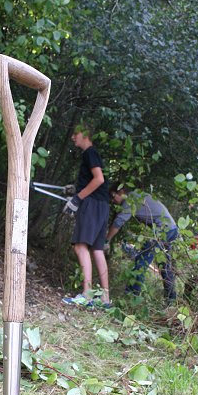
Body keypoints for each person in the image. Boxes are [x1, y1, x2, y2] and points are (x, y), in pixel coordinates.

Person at [62, 124, 111, 306]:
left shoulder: (89, 153)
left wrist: (77, 199)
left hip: (92, 204)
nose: (73, 137)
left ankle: (87, 295)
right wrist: (76, 189)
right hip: (102, 205)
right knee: (97, 249)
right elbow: (95, 181)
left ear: (84, 134)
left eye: (75, 134)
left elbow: (99, 179)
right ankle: (105, 298)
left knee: (80, 246)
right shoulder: (93, 154)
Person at [106, 184, 178, 302]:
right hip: (172, 229)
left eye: (113, 197)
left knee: (141, 261)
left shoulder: (130, 199)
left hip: (163, 231)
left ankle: (131, 297)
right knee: (165, 265)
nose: (113, 201)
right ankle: (171, 300)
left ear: (121, 192)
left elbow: (119, 222)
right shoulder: (137, 196)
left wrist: (106, 240)